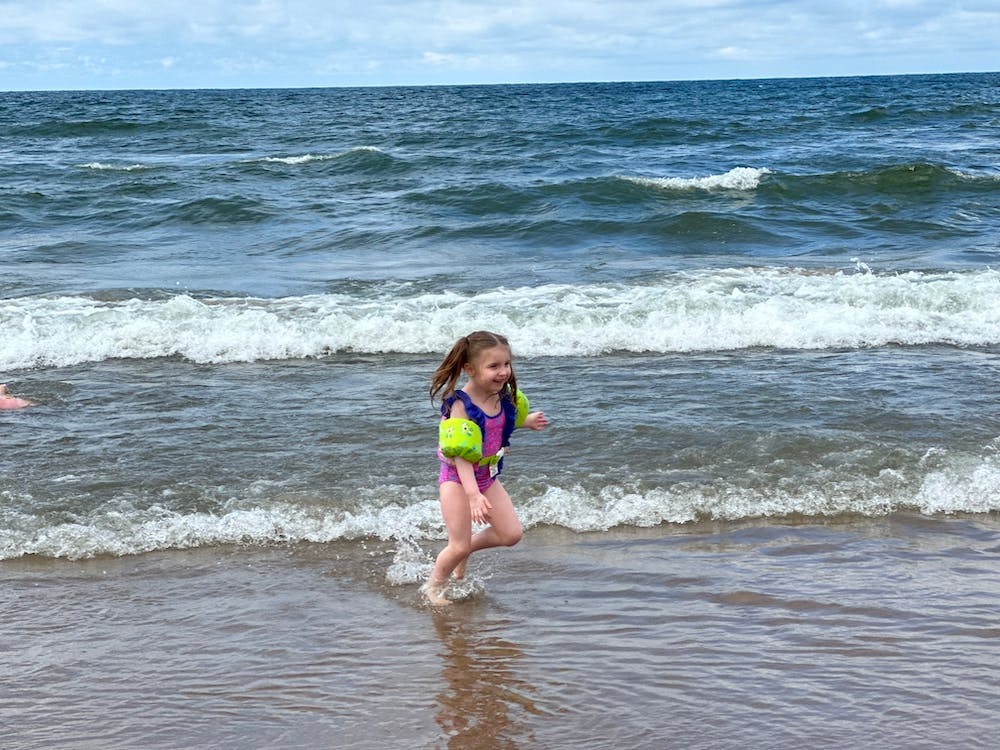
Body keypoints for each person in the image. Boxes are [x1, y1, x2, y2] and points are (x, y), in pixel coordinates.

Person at [424, 331, 548, 605]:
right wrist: (472, 494)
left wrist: (526, 421)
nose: (503, 372)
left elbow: (498, 424)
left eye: (506, 364)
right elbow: (461, 456)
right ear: (470, 369)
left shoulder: (501, 396)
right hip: (458, 479)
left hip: (486, 477)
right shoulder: (459, 405)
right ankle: (433, 586)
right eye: (493, 366)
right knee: (457, 544)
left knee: (511, 534)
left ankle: (466, 551)